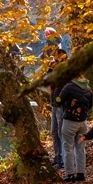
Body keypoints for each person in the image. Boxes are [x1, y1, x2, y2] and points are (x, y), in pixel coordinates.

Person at [39, 32, 68, 170]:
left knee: (62, 133)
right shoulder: (54, 70)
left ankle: (65, 160)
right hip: (54, 105)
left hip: (61, 105)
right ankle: (58, 158)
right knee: (54, 133)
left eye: (58, 59)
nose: (55, 61)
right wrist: (50, 68)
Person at [56, 76, 92, 181]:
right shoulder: (89, 88)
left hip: (70, 121)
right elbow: (90, 105)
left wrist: (58, 94)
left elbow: (58, 101)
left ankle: (70, 174)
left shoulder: (68, 87)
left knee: (67, 148)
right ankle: (81, 173)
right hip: (83, 122)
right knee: (80, 148)